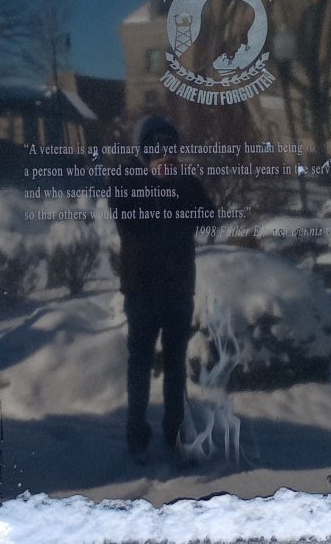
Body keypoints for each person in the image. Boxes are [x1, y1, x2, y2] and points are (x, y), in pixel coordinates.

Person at [111, 116, 215, 456]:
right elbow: (132, 225)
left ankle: (174, 430)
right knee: (139, 364)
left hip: (178, 290)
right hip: (142, 291)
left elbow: (208, 217)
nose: (164, 159)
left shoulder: (185, 184)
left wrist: (179, 189)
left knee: (175, 364)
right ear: (144, 154)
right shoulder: (127, 183)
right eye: (157, 152)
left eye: (170, 151)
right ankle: (136, 433)